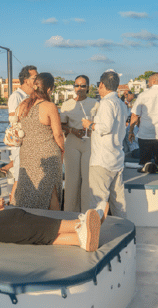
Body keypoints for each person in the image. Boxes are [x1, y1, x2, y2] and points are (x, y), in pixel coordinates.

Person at [13, 72, 64, 211]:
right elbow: (58, 134)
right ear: (49, 89)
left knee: (27, 190)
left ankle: (26, 222)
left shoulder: (23, 105)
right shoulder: (49, 106)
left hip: (27, 153)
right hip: (47, 154)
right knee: (50, 192)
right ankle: (57, 225)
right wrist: (62, 151)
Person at [82, 70, 129, 218]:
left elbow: (105, 127)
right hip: (117, 157)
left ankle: (95, 234)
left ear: (101, 84)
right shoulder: (121, 104)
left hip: (102, 159)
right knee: (118, 201)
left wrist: (90, 125)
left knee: (98, 201)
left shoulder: (106, 103)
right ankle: (124, 230)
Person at [60, 75, 98, 212]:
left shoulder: (95, 103)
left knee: (88, 180)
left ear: (88, 87)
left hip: (90, 143)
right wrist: (72, 130)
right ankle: (70, 214)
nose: (80, 88)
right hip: (72, 141)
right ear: (74, 87)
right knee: (72, 180)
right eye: (77, 85)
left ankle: (87, 214)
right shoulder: (67, 104)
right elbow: (61, 125)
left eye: (83, 85)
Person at [5, 65, 36, 204]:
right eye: (35, 77)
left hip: (30, 142)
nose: (37, 79)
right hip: (21, 143)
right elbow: (13, 119)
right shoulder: (16, 97)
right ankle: (12, 205)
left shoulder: (32, 96)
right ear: (26, 79)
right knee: (18, 177)